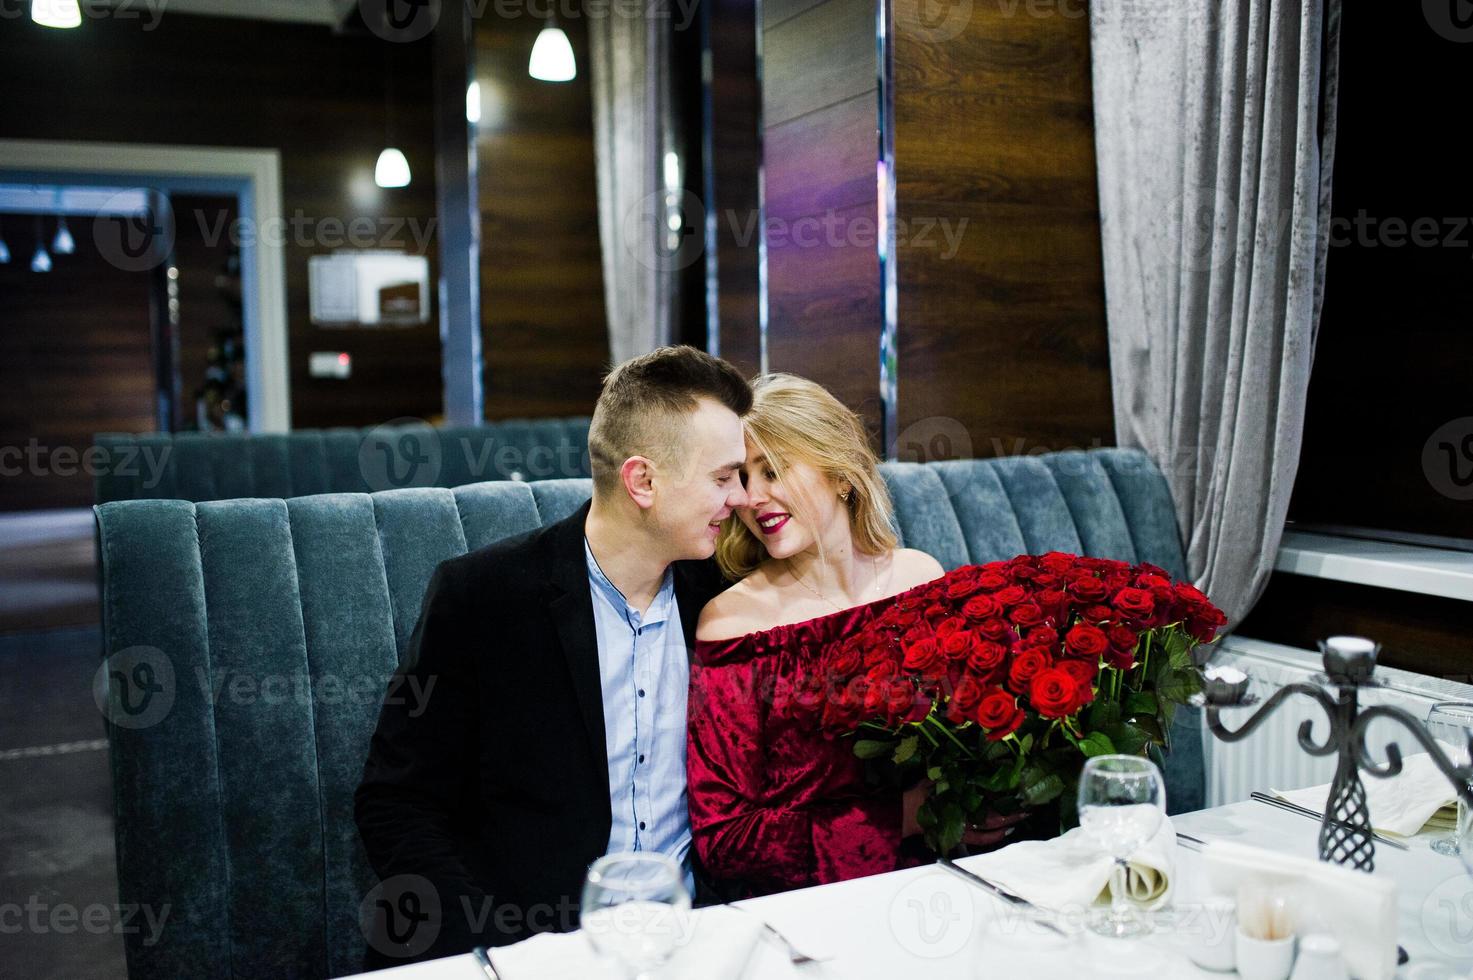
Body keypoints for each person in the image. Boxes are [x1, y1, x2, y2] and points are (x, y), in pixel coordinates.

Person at [354, 346, 752, 967]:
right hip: (537, 947)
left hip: (699, 940)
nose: (740, 499)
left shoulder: (727, 597)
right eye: (724, 477)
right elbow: (398, 803)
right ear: (642, 481)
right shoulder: (484, 595)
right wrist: (496, 953)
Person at [688, 373, 1024, 897]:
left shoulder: (920, 579)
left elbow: (975, 737)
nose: (753, 498)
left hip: (949, 876)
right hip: (810, 902)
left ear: (840, 473)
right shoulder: (733, 626)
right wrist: (901, 819)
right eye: (741, 479)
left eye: (772, 470)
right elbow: (724, 839)